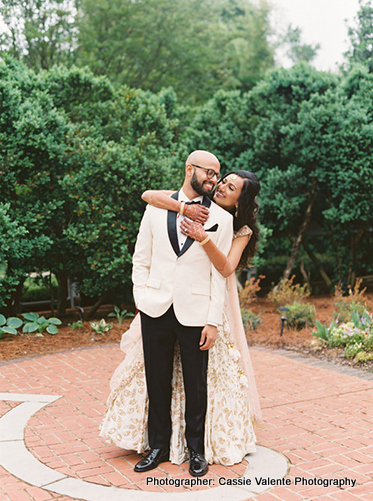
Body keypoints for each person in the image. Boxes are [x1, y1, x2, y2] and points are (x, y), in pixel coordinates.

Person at [100, 160, 262, 472]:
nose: (219, 185)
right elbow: (141, 256)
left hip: (198, 313)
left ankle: (196, 451)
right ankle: (158, 447)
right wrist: (142, 298)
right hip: (156, 307)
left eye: (229, 185)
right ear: (192, 170)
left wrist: (212, 321)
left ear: (240, 200)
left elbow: (222, 274)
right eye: (219, 179)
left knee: (197, 384)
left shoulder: (228, 224)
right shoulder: (162, 207)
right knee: (156, 379)